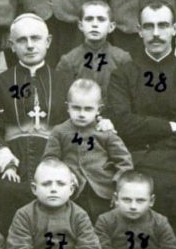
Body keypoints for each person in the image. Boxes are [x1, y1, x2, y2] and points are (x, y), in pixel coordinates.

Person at [107, 1, 176, 249]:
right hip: (140, 156)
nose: (156, 33)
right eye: (149, 26)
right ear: (139, 30)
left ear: (175, 29)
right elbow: (122, 124)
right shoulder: (124, 74)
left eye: (163, 26)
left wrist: (150, 133)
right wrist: (169, 126)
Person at [0, 14, 70, 232]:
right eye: (22, 40)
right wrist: (0, 148)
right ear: (12, 45)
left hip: (54, 156)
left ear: (48, 42)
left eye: (36, 38)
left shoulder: (66, 82)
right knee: (7, 190)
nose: (30, 45)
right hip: (11, 159)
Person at [42, 79, 132, 221]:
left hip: (104, 190)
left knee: (106, 224)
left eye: (88, 109)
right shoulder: (59, 131)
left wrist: (119, 187)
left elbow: (124, 161)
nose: (82, 114)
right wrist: (64, 174)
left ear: (99, 109)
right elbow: (49, 159)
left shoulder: (104, 131)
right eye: (76, 108)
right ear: (68, 107)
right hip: (73, 192)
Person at [55, 0, 132, 103]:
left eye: (101, 19)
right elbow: (62, 98)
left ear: (111, 27)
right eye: (89, 19)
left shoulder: (122, 59)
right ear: (80, 25)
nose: (94, 24)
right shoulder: (69, 61)